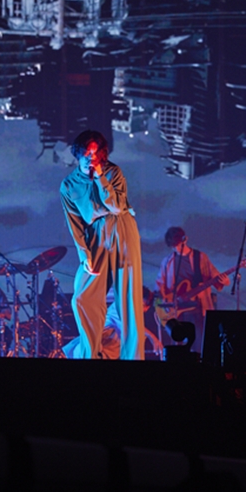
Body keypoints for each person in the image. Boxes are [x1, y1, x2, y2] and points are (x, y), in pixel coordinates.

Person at [60, 130, 144, 360]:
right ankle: (90, 355)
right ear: (78, 153)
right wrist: (83, 254)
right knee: (82, 298)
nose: (92, 158)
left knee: (128, 299)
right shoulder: (68, 185)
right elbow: (75, 224)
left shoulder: (112, 172)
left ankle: (133, 359)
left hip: (122, 229)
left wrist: (100, 178)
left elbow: (117, 207)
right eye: (88, 153)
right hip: (96, 236)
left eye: (97, 154)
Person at [155, 227, 230, 354]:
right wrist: (164, 299)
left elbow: (215, 276)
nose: (176, 248)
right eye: (173, 246)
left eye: (178, 245)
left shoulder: (200, 257)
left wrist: (224, 281)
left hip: (198, 309)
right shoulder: (167, 261)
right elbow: (159, 284)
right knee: (178, 346)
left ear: (185, 240)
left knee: (200, 343)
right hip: (177, 311)